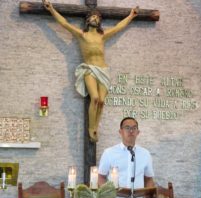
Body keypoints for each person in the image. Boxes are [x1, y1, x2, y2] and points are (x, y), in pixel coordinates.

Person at [42, 0, 139, 142]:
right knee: (94, 98)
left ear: (99, 21)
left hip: (103, 70)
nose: (95, 19)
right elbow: (64, 23)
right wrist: (51, 9)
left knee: (101, 101)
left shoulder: (102, 35)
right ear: (87, 20)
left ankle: (96, 127)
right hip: (89, 69)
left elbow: (118, 27)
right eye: (92, 17)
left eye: (97, 17)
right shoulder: (82, 34)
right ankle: (91, 128)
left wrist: (131, 15)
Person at [98, 117, 155, 189]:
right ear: (120, 131)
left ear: (138, 132)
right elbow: (101, 177)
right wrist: (108, 194)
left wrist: (148, 197)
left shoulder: (145, 154)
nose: (131, 131)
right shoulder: (109, 153)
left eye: (134, 128)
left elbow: (149, 179)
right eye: (127, 128)